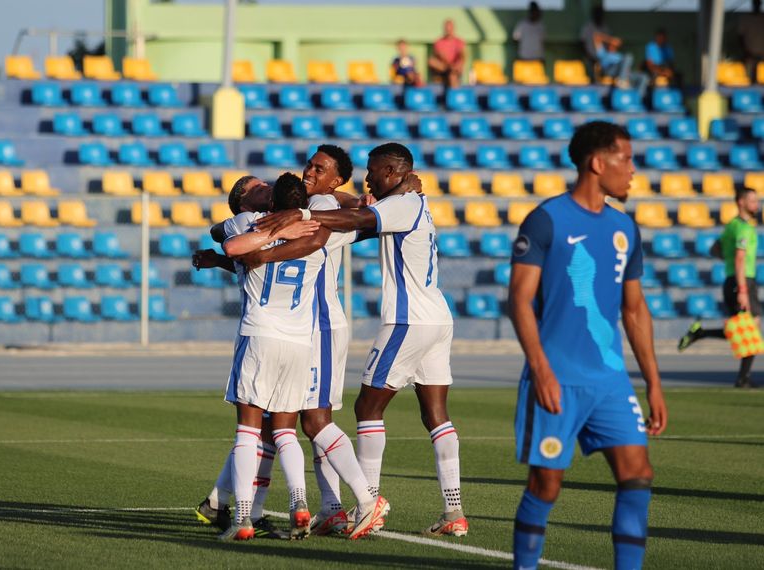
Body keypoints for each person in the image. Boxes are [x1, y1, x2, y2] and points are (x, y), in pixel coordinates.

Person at [256, 143, 468, 537]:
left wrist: (302, 212)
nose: (368, 179)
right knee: (435, 415)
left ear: (392, 170)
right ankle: (453, 510)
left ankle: (366, 504)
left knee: (367, 409)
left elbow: (355, 217)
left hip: (407, 321)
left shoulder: (402, 204)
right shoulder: (411, 201)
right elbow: (356, 206)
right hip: (437, 317)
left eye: (373, 171)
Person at [508, 121, 668, 569]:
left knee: (638, 474)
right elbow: (518, 299)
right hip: (557, 377)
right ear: (598, 163)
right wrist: (540, 369)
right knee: (546, 486)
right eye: (627, 158)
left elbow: (635, 311)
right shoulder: (546, 219)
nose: (634, 171)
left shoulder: (625, 228)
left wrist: (653, 382)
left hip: (611, 381)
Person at [215, 173, 324, 541]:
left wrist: (276, 231)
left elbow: (233, 247)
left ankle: (243, 518)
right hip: (299, 342)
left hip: (260, 334)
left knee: (247, 430)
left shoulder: (250, 222)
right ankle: (299, 503)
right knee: (285, 431)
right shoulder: (316, 232)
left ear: (273, 202)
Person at [678, 187, 761, 389]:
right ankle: (743, 378)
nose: (756, 204)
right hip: (741, 282)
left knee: (746, 329)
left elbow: (715, 248)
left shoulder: (732, 226)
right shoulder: (741, 227)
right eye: (752, 200)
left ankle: (701, 334)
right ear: (741, 202)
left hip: (736, 280)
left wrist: (728, 260)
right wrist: (742, 289)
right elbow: (740, 258)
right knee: (750, 328)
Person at [428, 19, 465, 88]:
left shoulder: (459, 41)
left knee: (452, 75)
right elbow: (439, 55)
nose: (448, 30)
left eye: (450, 28)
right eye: (447, 28)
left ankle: (453, 96)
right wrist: (448, 65)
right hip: (443, 67)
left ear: (453, 28)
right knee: (431, 61)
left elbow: (462, 55)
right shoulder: (438, 42)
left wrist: (456, 65)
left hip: (454, 68)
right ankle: (450, 69)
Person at [739, 0, 764, 81]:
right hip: (749, 55)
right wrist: (746, 52)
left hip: (762, 54)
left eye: (758, 3)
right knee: (749, 79)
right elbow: (740, 37)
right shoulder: (745, 19)